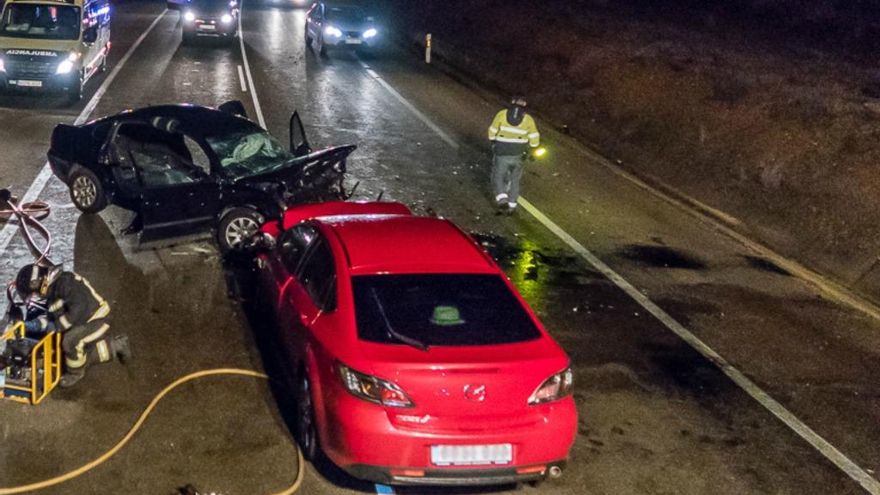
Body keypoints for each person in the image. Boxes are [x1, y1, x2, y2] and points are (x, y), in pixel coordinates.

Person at [15, 264, 131, 387]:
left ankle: (75, 373)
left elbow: (79, 308)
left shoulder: (65, 283)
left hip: (98, 318)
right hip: (85, 320)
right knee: (74, 354)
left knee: (70, 342)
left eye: (33, 294)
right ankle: (117, 345)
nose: (35, 297)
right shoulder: (54, 291)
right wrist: (34, 325)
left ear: (39, 285)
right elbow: (53, 316)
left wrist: (57, 325)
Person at [487, 96, 541, 214]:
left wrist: (493, 141)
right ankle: (512, 205)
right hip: (518, 153)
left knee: (498, 175)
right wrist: (532, 149)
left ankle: (502, 199)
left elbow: (492, 130)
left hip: (502, 151)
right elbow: (534, 137)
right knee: (515, 179)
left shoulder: (502, 114)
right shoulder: (528, 119)